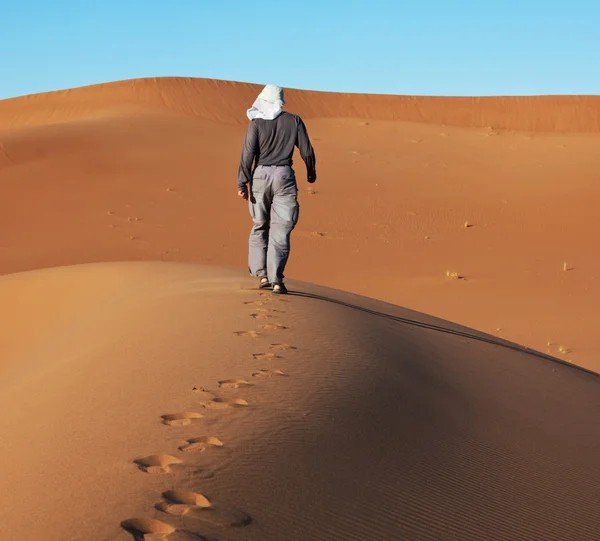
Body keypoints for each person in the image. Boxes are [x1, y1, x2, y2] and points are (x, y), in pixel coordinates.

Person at [238, 85, 317, 294]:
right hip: (285, 177)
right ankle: (276, 281)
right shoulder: (294, 120)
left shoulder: (256, 124)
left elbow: (247, 154)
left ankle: (262, 274)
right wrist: (311, 171)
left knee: (260, 225)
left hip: (260, 178)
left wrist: (242, 182)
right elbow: (307, 150)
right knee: (281, 231)